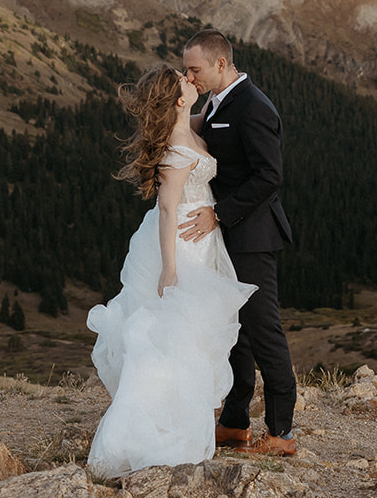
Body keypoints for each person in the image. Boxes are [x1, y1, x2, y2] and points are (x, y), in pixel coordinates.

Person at [86, 64, 257, 478]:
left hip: (199, 241)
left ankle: (181, 419)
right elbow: (166, 208)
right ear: (180, 99)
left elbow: (214, 114)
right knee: (173, 336)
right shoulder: (178, 146)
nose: (190, 78)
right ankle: (153, 431)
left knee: (191, 336)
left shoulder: (189, 126)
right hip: (180, 244)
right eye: (184, 78)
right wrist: (169, 269)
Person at [179, 29, 298, 456]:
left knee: (263, 330)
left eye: (194, 69)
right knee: (236, 334)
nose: (188, 76)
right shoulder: (216, 100)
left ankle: (282, 433)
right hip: (227, 235)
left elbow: (270, 175)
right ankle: (234, 422)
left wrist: (220, 213)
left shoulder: (253, 107)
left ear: (221, 65)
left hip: (253, 235)